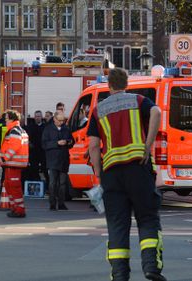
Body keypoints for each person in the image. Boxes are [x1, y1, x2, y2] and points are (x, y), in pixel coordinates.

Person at [87, 68, 165, 281]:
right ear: (126, 84)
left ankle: (120, 274)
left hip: (112, 173)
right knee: (147, 218)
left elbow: (93, 146)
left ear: (109, 85)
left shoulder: (98, 110)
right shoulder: (138, 100)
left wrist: (98, 173)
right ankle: (151, 267)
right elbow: (157, 113)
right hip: (138, 168)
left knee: (117, 224)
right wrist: (147, 146)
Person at [0, 110, 29, 218]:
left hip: (13, 163)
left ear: (11, 119)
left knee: (14, 187)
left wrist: (3, 159)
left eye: (6, 119)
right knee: (9, 186)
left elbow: (13, 147)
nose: (5, 121)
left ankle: (19, 210)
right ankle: (15, 208)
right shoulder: (18, 130)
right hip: (13, 163)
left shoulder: (14, 131)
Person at [42, 111, 74, 211]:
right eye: (59, 120)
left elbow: (72, 141)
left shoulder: (66, 128)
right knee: (52, 183)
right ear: (54, 119)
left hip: (64, 160)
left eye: (63, 120)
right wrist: (57, 143)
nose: (61, 122)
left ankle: (61, 203)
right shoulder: (48, 129)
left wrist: (68, 142)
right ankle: (52, 204)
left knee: (62, 183)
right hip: (52, 160)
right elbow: (44, 144)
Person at [26, 110, 48, 187]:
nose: (37, 118)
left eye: (39, 116)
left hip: (43, 152)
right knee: (33, 169)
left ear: (41, 117)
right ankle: (35, 184)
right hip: (33, 152)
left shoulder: (45, 127)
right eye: (36, 116)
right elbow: (26, 138)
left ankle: (48, 186)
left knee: (45, 169)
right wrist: (29, 143)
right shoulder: (30, 127)